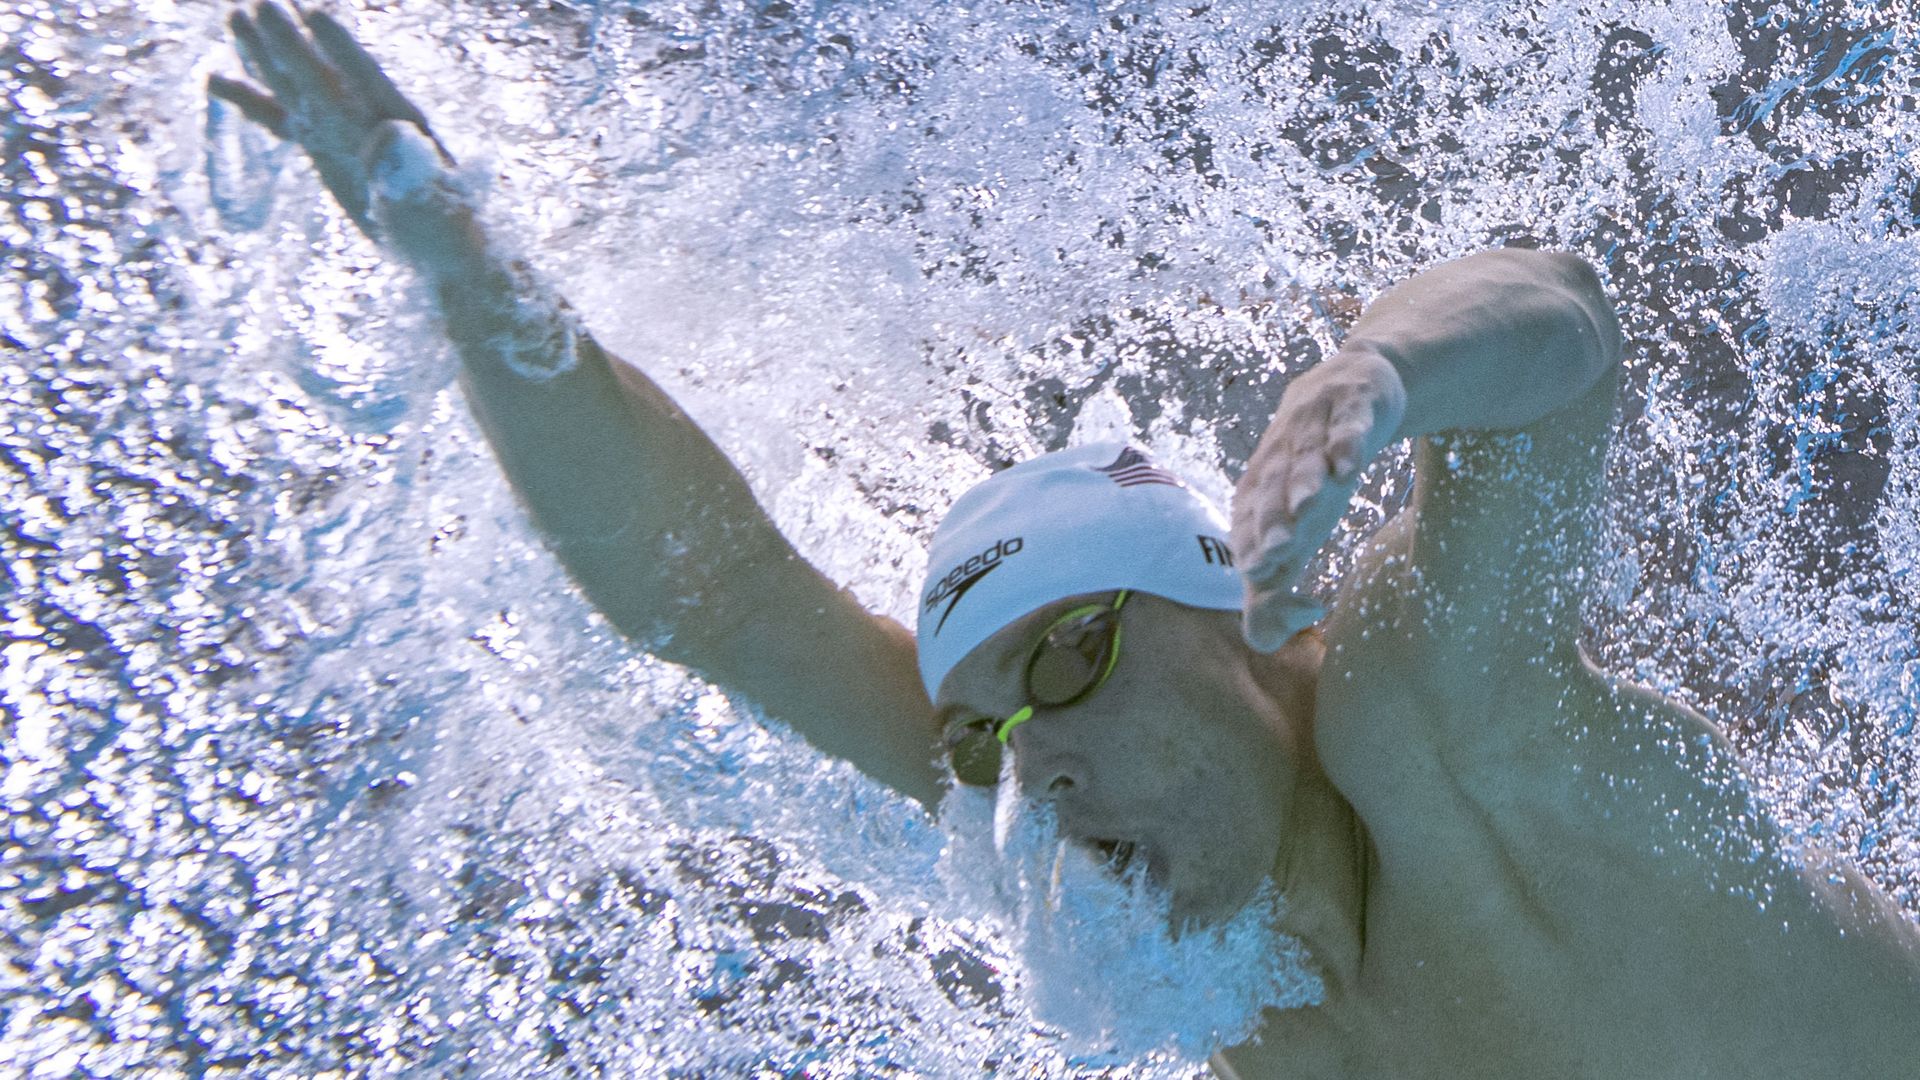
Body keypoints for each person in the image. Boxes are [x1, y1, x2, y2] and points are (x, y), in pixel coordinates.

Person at [212, 5, 1920, 1076]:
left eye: (1069, 659)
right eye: (984, 738)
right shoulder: (1151, 899)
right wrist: (468, 274)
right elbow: (722, 600)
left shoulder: (1442, 722)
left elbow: (1567, 336)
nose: (1031, 775)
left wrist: (1381, 370)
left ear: (1241, 624)